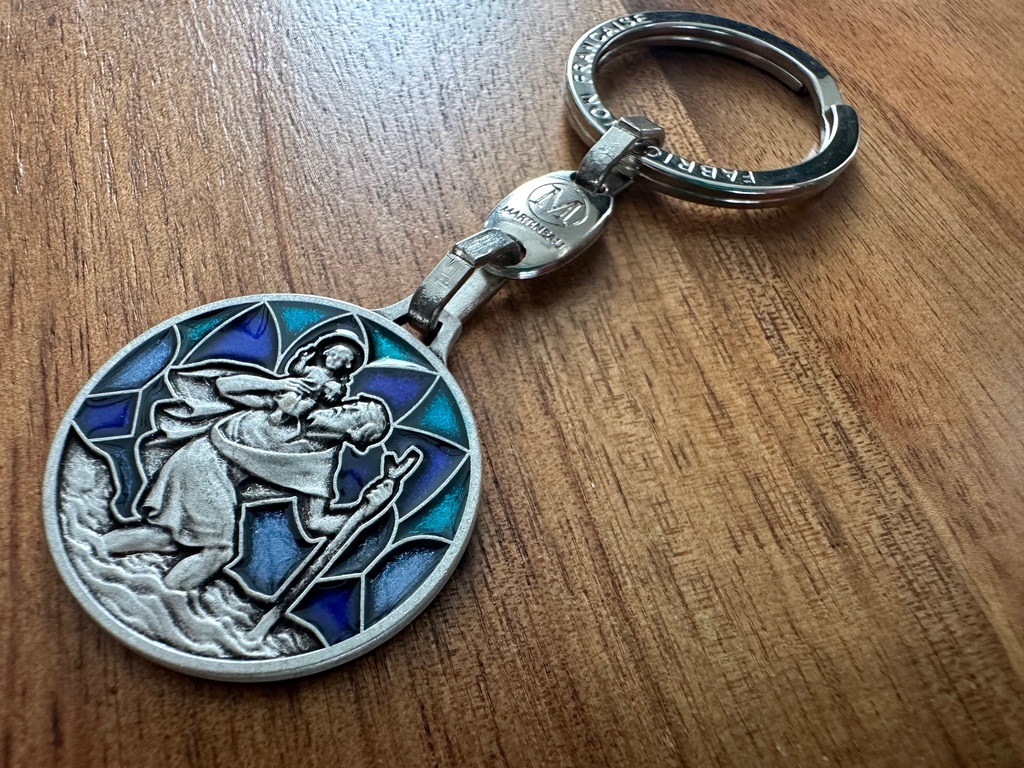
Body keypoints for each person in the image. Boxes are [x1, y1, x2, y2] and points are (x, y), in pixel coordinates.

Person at [102, 333, 394, 591]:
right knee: (218, 550)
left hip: (211, 473)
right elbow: (225, 386)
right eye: (350, 405)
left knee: (170, 539)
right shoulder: (291, 407)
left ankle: (97, 549)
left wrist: (367, 510)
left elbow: (316, 522)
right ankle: (162, 601)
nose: (343, 407)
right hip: (202, 459)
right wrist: (276, 383)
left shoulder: (318, 463)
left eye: (352, 413)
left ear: (355, 434)